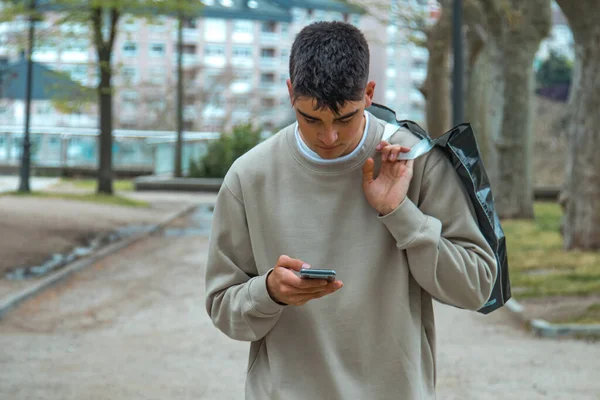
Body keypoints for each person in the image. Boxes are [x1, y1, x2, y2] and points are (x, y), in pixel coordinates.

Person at [205, 21, 497, 400]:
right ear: (290, 93)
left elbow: (476, 286)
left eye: (344, 118)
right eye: (311, 119)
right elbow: (221, 306)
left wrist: (399, 213)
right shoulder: (249, 176)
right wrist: (269, 292)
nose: (329, 137)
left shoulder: (415, 160)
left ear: (369, 93)